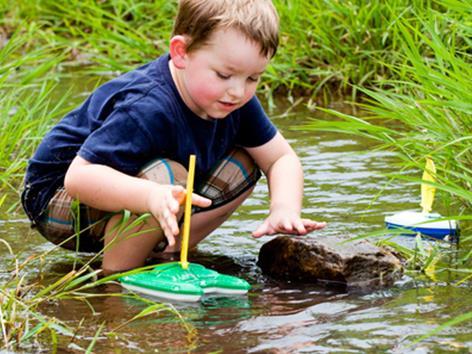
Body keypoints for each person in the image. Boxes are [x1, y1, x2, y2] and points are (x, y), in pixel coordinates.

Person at [21, 0, 326, 275]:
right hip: (57, 198)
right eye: (223, 75)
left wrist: (284, 209)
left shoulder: (235, 102)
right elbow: (79, 177)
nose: (237, 91)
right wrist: (151, 197)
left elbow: (280, 158)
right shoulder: (147, 106)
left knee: (246, 161)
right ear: (181, 53)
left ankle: (166, 250)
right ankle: (115, 280)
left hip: (132, 188)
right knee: (167, 177)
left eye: (253, 78)